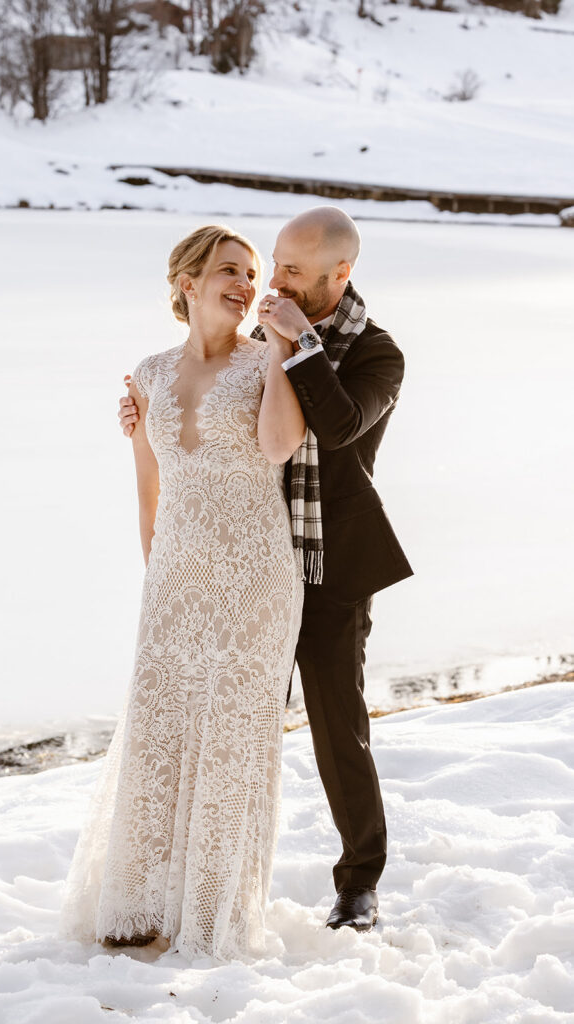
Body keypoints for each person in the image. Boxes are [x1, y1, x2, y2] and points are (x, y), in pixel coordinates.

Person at [119, 207, 413, 933]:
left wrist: (296, 344)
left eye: (288, 270)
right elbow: (213, 415)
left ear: (338, 274)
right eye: (269, 264)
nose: (270, 282)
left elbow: (339, 424)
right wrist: (149, 417)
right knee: (216, 721)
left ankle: (358, 881)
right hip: (238, 559)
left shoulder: (377, 354)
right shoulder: (256, 337)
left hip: (326, 565)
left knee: (334, 725)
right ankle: (186, 882)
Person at [59, 225, 305, 961]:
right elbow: (149, 493)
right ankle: (139, 903)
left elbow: (275, 447)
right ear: (187, 281)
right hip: (173, 580)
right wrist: (158, 581)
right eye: (227, 270)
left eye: (251, 273)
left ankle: (211, 913)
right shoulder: (150, 373)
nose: (243, 282)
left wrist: (283, 357)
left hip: (254, 575)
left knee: (230, 738)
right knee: (161, 734)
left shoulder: (265, 360)